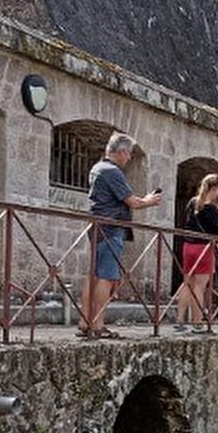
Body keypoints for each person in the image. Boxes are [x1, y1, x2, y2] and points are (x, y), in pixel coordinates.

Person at [80, 133, 161, 339]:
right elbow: (133, 202)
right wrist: (149, 200)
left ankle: (84, 321)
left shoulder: (97, 168)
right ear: (122, 151)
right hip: (110, 229)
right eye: (129, 154)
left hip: (98, 227)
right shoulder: (112, 172)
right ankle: (98, 324)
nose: (130, 158)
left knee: (94, 276)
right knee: (106, 277)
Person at [176, 173, 218, 333]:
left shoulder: (193, 202)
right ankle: (197, 322)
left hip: (188, 246)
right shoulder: (210, 207)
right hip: (204, 247)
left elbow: (200, 215)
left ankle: (179, 320)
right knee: (200, 285)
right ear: (215, 188)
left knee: (187, 283)